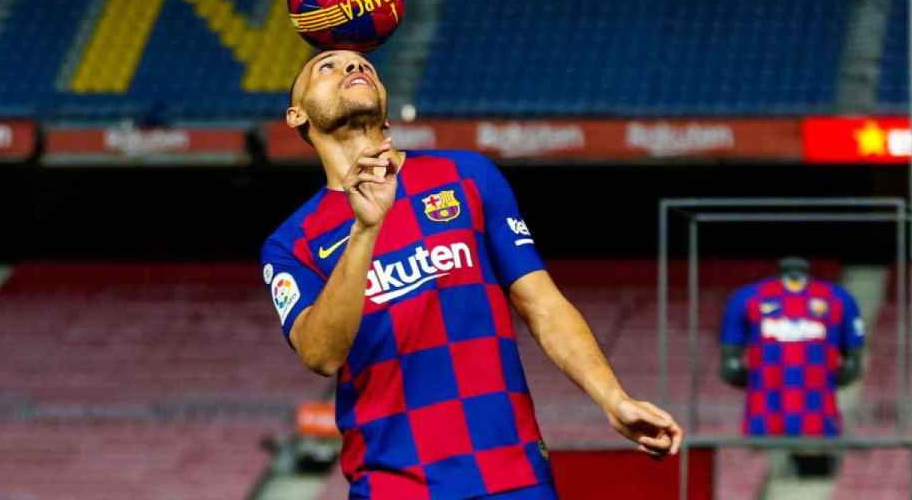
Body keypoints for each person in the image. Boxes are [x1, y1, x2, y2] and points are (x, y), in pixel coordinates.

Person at [261, 49, 683, 499]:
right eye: (327, 66)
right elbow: (321, 355)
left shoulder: (465, 176)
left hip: (512, 474)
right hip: (392, 485)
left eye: (365, 66)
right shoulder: (292, 243)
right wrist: (365, 230)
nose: (354, 68)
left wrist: (613, 397)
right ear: (296, 115)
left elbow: (541, 302)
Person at [720, 257, 864, 439]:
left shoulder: (838, 298)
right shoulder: (748, 297)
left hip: (819, 415)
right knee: (767, 453)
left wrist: (826, 378)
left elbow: (854, 361)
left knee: (815, 456)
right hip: (764, 416)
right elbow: (729, 365)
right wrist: (756, 378)